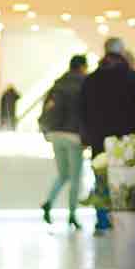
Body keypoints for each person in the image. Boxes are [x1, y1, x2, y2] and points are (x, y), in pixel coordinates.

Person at [80, 38, 135, 231]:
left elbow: (82, 111)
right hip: (127, 140)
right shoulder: (133, 80)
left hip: (99, 139)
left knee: (102, 177)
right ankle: (125, 220)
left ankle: (102, 220)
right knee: (128, 178)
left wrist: (86, 136)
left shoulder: (90, 81)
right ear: (122, 52)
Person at [38, 55, 89, 228]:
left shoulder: (58, 84)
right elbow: (85, 111)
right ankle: (72, 214)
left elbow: (46, 107)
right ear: (83, 67)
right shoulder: (84, 83)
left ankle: (49, 202)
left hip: (55, 134)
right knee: (75, 177)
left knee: (62, 175)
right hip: (73, 136)